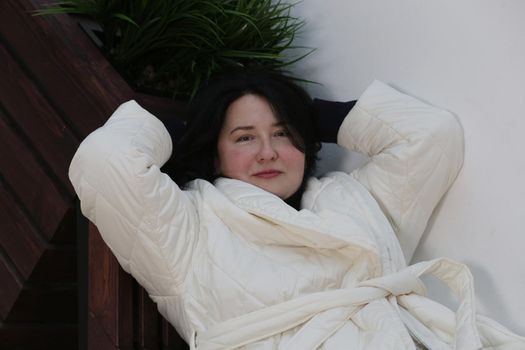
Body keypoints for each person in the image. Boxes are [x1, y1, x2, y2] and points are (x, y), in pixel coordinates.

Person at [69, 70, 524, 349]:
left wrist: (314, 116)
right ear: (216, 154)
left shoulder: (357, 204)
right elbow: (103, 162)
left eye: (283, 134)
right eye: (244, 137)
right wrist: (189, 125)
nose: (267, 152)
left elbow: (433, 135)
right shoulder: (187, 229)